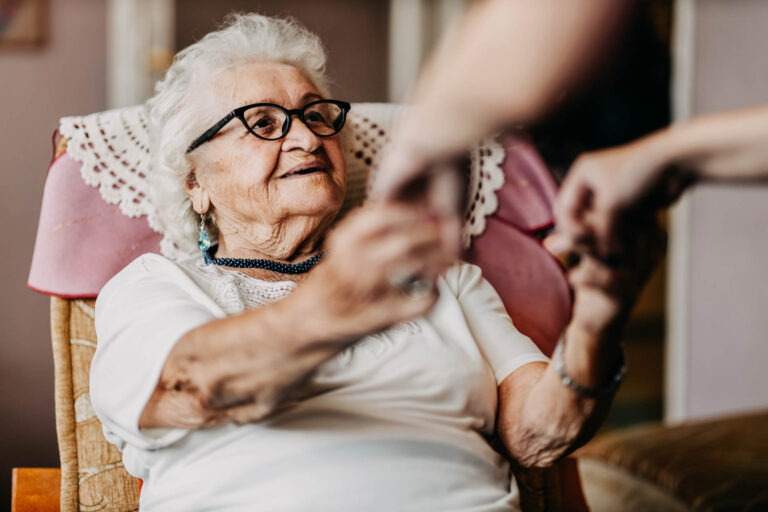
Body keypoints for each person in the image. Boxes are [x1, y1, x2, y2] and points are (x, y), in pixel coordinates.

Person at [90, 14, 656, 512]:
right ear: (196, 184)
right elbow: (195, 388)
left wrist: (597, 321)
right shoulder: (155, 286)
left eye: (317, 116)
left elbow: (537, 435)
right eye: (263, 123)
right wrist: (337, 303)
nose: (307, 139)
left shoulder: (446, 279)